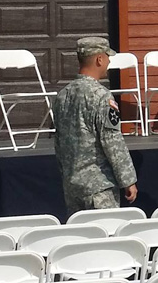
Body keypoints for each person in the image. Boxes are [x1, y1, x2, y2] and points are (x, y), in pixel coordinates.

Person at [53, 37, 138, 216]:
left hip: (73, 186)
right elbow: (112, 142)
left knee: (80, 233)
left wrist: (66, 176)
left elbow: (59, 143)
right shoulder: (101, 96)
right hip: (99, 187)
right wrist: (128, 180)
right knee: (105, 232)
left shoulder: (62, 96)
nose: (108, 62)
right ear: (99, 59)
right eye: (107, 57)